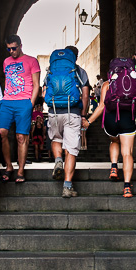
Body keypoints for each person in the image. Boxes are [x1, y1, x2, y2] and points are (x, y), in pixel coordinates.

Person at [84, 60, 136, 197]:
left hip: (111, 120)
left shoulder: (107, 84)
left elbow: (102, 106)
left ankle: (114, 167)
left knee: (114, 142)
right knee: (127, 153)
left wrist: (89, 121)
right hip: (128, 120)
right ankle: (127, 187)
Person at [45, 45, 91, 197]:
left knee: (56, 138)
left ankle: (58, 160)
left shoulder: (51, 70)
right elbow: (85, 95)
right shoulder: (79, 72)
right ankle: (67, 186)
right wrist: (83, 115)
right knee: (71, 149)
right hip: (73, 112)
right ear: (75, 57)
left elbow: (45, 91)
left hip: (54, 111)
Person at [0, 34, 41, 183]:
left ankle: (20, 170)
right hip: (7, 101)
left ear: (20, 46)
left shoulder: (32, 61)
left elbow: (36, 84)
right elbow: (7, 81)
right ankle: (9, 167)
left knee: (21, 137)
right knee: (2, 132)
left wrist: (31, 103)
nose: (11, 52)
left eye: (14, 48)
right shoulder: (6, 61)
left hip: (24, 102)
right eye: (8, 49)